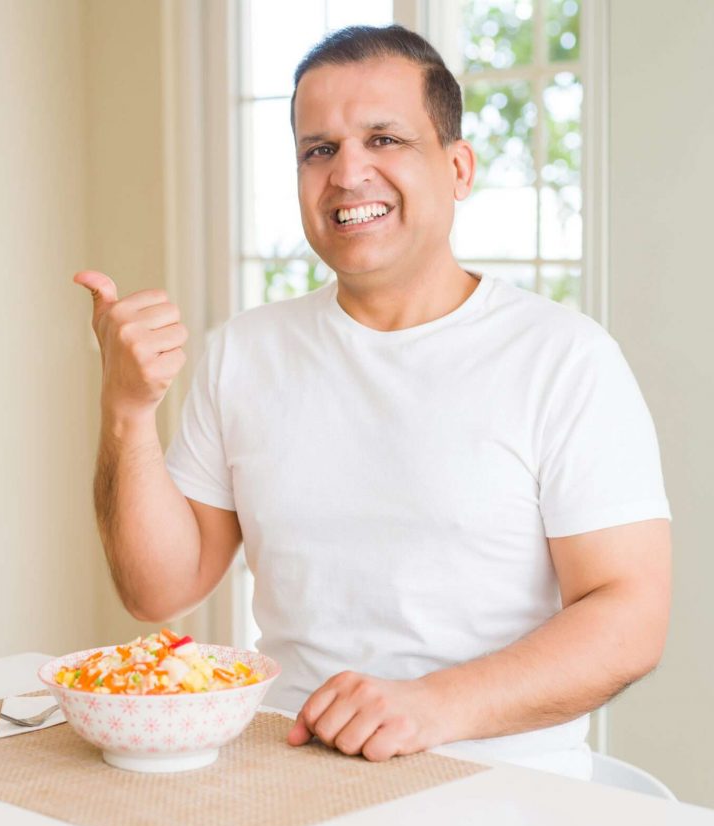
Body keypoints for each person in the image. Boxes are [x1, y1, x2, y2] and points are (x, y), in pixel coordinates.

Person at [72, 25, 671, 779]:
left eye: (384, 139)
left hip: (504, 788)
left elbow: (632, 615)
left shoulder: (565, 359)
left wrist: (431, 706)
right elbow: (157, 588)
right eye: (318, 149)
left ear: (458, 168)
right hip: (283, 769)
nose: (348, 172)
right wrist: (127, 412)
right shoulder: (245, 353)